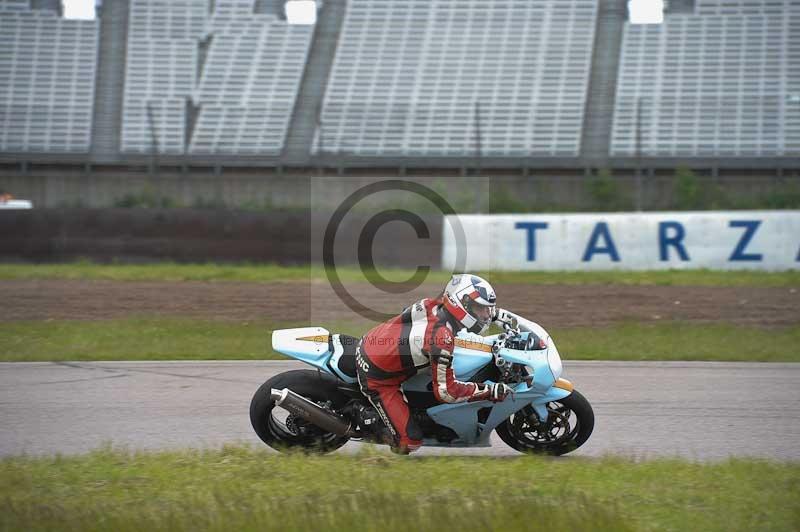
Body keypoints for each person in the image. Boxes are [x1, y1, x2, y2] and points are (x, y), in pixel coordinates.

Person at [356, 274, 515, 453]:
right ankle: (366, 417)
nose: (486, 315)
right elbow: (446, 393)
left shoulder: (436, 306)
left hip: (377, 340)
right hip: (377, 375)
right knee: (409, 442)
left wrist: (498, 316)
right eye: (480, 308)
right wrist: (488, 391)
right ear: (461, 304)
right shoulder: (442, 338)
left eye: (487, 309)